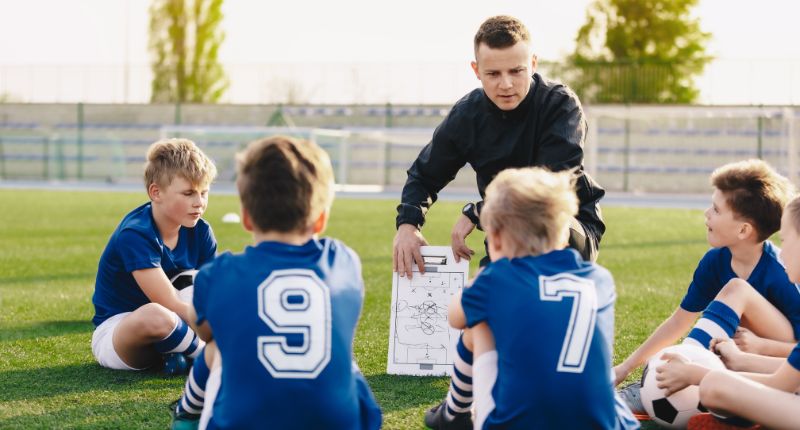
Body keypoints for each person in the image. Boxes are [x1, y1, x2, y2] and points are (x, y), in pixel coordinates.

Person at [183, 135, 382, 429]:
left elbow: (203, 329)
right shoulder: (344, 262)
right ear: (320, 220)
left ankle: (185, 415)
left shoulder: (219, 274)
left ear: (247, 218)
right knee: (344, 364)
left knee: (217, 346)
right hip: (337, 421)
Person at [393, 14, 605, 279]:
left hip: (566, 227)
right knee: (484, 308)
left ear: (533, 63)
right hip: (502, 233)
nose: (506, 84)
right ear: (476, 70)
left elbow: (549, 184)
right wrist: (408, 225)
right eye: (493, 73)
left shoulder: (560, 105)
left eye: (516, 71)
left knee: (544, 225)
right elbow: (423, 175)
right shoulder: (467, 115)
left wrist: (477, 213)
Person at [441, 167, 638, 429]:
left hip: (519, 423)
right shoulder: (599, 278)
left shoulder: (497, 278)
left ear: (496, 238)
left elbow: (455, 316)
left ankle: (455, 413)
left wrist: (478, 282)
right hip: (601, 423)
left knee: (477, 325)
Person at [614, 159, 799, 412]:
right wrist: (624, 368)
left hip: (779, 362)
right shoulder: (715, 261)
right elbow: (679, 321)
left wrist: (760, 346)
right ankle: (662, 381)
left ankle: (667, 377)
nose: (706, 214)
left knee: (737, 289)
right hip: (739, 358)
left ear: (744, 230)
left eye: (716, 209)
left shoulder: (782, 272)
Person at [655, 195, 800, 430]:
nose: (782, 253)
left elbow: (780, 382)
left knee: (715, 387)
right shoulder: (716, 260)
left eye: (785, 240)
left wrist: (695, 374)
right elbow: (791, 373)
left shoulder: (779, 274)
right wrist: (742, 359)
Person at [90, 138, 217, 372]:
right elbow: (167, 303)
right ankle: (210, 359)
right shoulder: (136, 233)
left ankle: (181, 352)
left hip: (178, 322)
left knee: (200, 283)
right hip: (122, 331)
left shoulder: (202, 232)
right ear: (156, 192)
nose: (199, 202)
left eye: (204, 192)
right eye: (188, 193)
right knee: (155, 315)